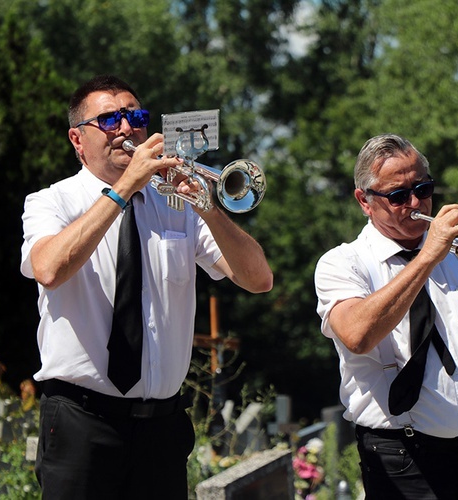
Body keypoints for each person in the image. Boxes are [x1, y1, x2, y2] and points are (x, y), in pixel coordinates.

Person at [20, 75, 273, 499]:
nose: (126, 129)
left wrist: (207, 208)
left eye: (135, 116)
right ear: (77, 140)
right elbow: (49, 268)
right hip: (81, 422)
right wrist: (123, 189)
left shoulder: (179, 205)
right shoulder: (51, 201)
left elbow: (258, 279)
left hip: (161, 429)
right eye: (108, 120)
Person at [314, 134, 458, 499]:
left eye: (424, 188)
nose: (416, 203)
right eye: (399, 196)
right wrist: (428, 256)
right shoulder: (342, 263)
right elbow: (357, 335)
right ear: (364, 201)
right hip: (401, 460)